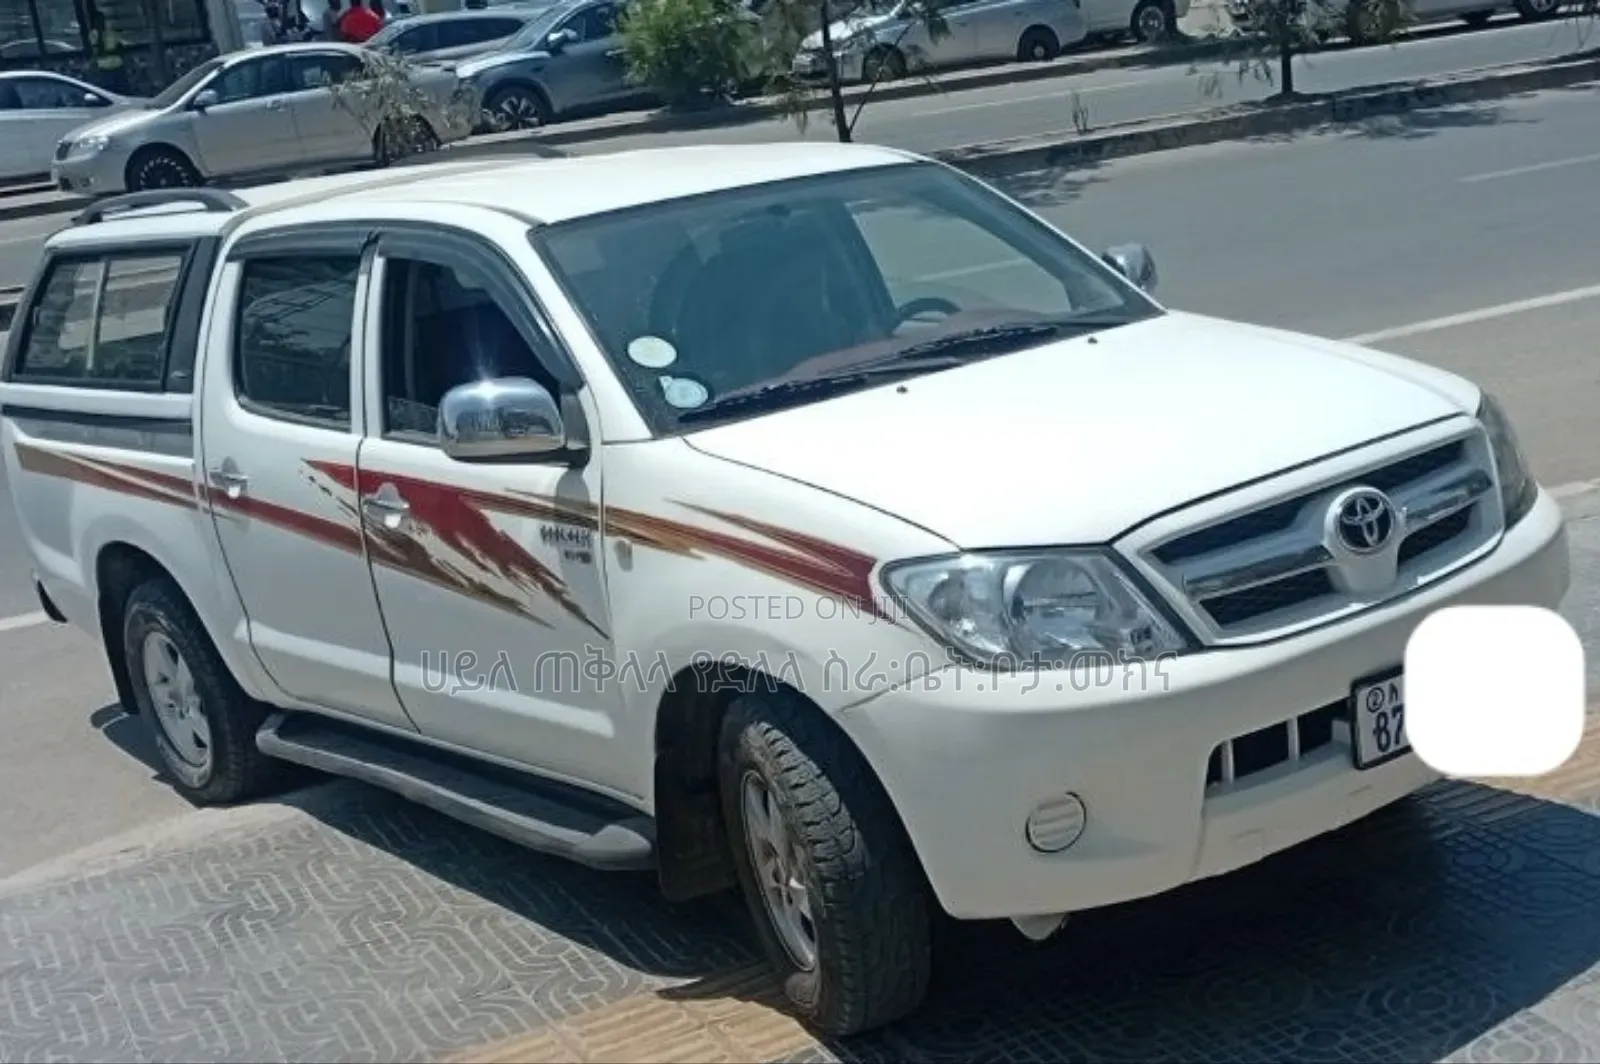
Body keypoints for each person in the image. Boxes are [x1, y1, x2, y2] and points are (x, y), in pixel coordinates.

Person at [84, 2, 128, 95]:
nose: (101, 23)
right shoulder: (94, 35)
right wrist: (109, 51)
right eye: (98, 21)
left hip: (118, 66)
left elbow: (120, 49)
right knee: (109, 92)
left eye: (102, 20)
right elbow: (98, 52)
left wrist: (109, 52)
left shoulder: (111, 33)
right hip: (105, 69)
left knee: (123, 91)